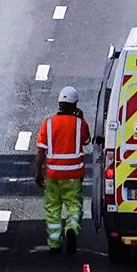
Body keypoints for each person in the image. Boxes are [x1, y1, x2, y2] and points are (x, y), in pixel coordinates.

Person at [38, 87, 91, 252]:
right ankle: (71, 228)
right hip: (73, 175)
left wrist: (37, 172)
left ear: (59, 103)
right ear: (75, 104)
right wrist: (80, 118)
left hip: (52, 174)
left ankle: (54, 243)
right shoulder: (80, 124)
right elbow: (87, 140)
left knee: (53, 208)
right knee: (74, 205)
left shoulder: (48, 124)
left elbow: (40, 151)